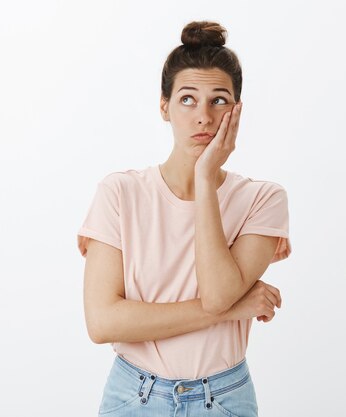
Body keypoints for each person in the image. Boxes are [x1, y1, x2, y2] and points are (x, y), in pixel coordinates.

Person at [76, 21, 291, 417]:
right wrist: (232, 310)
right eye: (188, 99)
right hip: (133, 396)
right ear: (165, 107)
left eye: (220, 100)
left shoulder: (263, 199)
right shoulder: (120, 193)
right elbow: (103, 322)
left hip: (224, 398)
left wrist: (206, 178)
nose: (204, 117)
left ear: (237, 110)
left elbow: (216, 293)